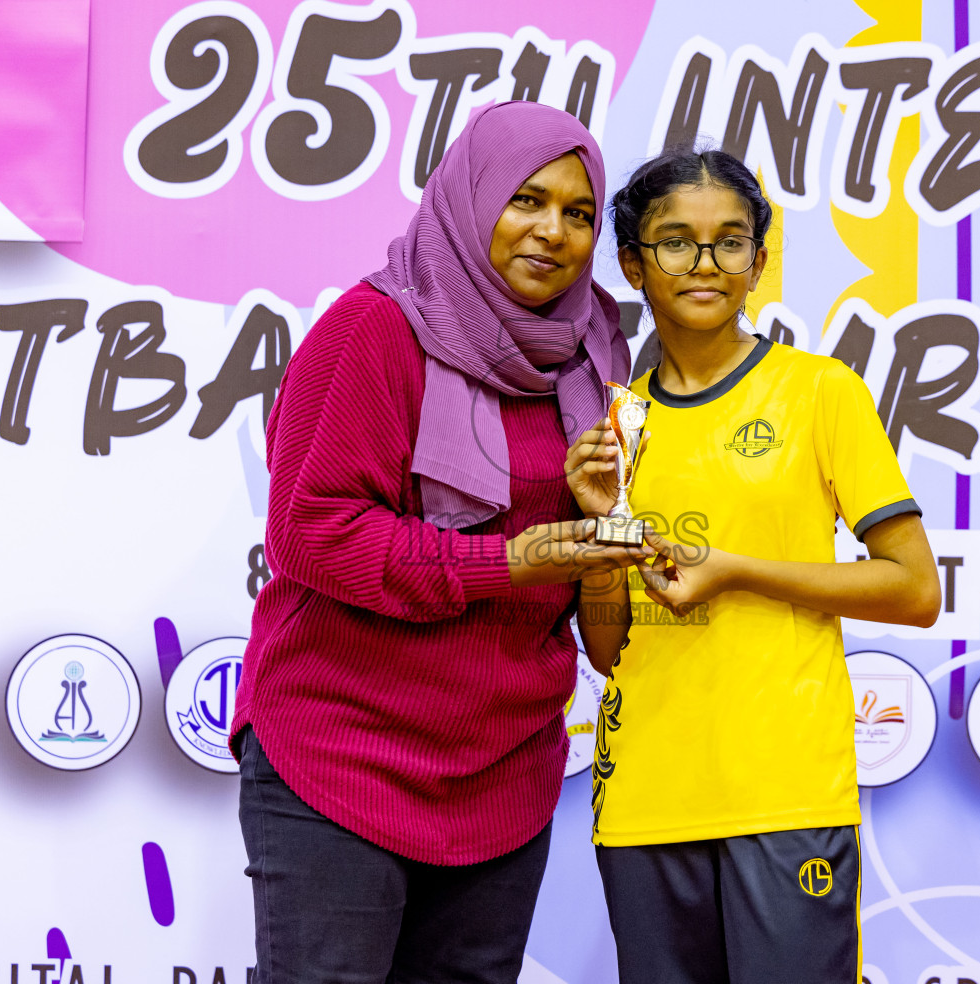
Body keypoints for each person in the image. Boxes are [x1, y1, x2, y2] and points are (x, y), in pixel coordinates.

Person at [230, 101, 645, 984]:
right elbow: (313, 532)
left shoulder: (590, 357)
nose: (553, 232)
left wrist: (605, 531)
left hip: (503, 774)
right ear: (471, 197)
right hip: (343, 758)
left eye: (579, 214)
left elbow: (590, 562)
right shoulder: (374, 330)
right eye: (527, 200)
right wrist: (508, 562)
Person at [582, 147, 942, 984]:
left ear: (759, 262)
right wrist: (600, 543)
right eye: (675, 242)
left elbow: (915, 587)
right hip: (643, 802)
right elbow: (606, 651)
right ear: (633, 263)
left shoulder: (819, 392)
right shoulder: (610, 421)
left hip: (785, 796)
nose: (705, 265)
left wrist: (737, 570)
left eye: (730, 242)